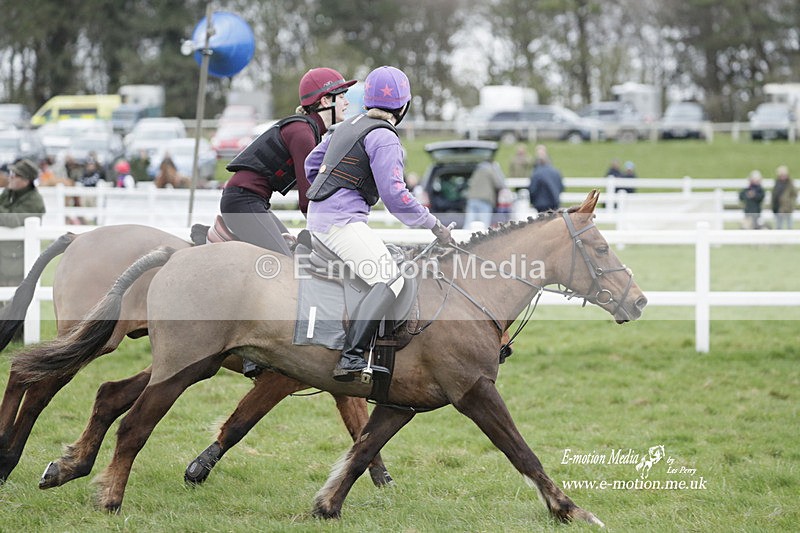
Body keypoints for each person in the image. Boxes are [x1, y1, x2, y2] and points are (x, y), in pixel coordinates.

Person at [305, 65, 453, 382]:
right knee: (391, 278)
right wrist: (434, 224)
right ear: (404, 105)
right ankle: (352, 356)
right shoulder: (384, 137)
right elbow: (395, 197)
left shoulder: (349, 125)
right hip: (341, 224)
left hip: (320, 219)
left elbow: (311, 165)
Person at [222, 67, 356, 378]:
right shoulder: (302, 132)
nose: (347, 103)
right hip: (243, 202)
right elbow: (309, 197)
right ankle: (252, 352)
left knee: (291, 257)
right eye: (342, 96)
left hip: (251, 202)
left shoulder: (311, 131)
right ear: (324, 102)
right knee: (282, 266)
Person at [1, 159, 46, 318]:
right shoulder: (8, 193)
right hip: (4, 253)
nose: (10, 177)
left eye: (15, 175)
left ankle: (17, 332)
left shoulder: (34, 200)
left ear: (26, 180)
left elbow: (12, 220)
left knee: (16, 295)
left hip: (19, 256)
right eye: (11, 173)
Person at [463, 160, 506, 229]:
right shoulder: (490, 170)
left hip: (472, 199)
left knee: (468, 224)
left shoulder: (477, 171)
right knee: (484, 225)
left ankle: (463, 239)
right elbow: (499, 184)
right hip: (485, 200)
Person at [527, 146, 563, 213]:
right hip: (554, 202)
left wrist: (532, 202)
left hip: (540, 204)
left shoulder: (536, 173)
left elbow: (532, 189)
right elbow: (561, 187)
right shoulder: (556, 172)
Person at [771, 165, 796, 230]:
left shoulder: (789, 184)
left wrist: (789, 203)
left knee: (789, 225)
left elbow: (794, 194)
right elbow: (774, 195)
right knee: (779, 225)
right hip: (778, 207)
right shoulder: (777, 183)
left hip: (787, 207)